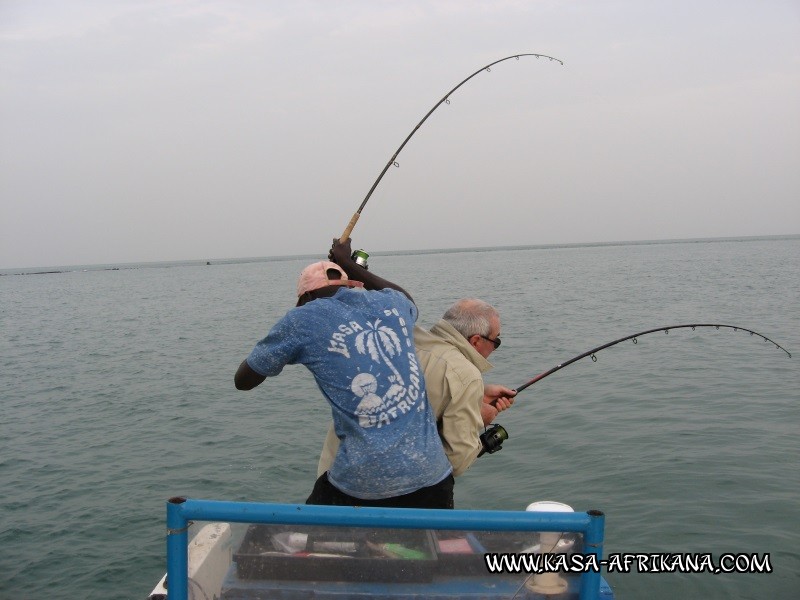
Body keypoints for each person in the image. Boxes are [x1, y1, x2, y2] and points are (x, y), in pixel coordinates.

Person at [234, 238, 454, 509]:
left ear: (306, 298)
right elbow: (407, 298)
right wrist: (349, 263)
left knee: (314, 532)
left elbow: (243, 381)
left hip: (366, 484)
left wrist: (280, 343)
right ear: (350, 284)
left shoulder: (302, 318)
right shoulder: (392, 304)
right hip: (434, 475)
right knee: (424, 550)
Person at [318, 296, 516, 494]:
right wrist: (477, 419)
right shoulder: (466, 375)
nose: (495, 347)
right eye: (496, 341)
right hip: (384, 495)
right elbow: (457, 461)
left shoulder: (400, 341)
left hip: (331, 478)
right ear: (475, 340)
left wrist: (476, 397)